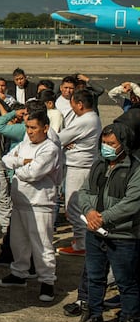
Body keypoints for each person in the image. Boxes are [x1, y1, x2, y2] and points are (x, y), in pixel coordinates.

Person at [71, 123, 140, 322]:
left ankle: (130, 321)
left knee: (126, 281)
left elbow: (132, 202)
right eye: (104, 142)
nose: (106, 147)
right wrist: (90, 212)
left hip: (123, 236)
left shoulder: (135, 169)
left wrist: (102, 218)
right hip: (95, 233)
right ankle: (93, 315)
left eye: (111, 143)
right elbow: (84, 191)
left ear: (124, 145)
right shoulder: (99, 164)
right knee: (94, 277)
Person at [0, 111, 62, 304]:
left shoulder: (50, 148)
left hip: (40, 203)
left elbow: (34, 173)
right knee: (18, 242)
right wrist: (21, 162)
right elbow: (6, 159)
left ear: (45, 128)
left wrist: (18, 167)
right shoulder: (25, 144)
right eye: (28, 127)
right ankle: (19, 273)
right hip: (20, 201)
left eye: (34, 128)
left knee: (42, 244)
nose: (30, 131)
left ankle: (47, 281)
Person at [57, 89, 102, 256]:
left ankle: (81, 243)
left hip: (79, 167)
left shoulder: (84, 120)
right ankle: (80, 240)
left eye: (73, 105)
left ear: (80, 104)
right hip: (83, 165)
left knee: (73, 206)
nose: (73, 108)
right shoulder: (93, 117)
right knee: (79, 205)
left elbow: (60, 138)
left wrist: (69, 142)